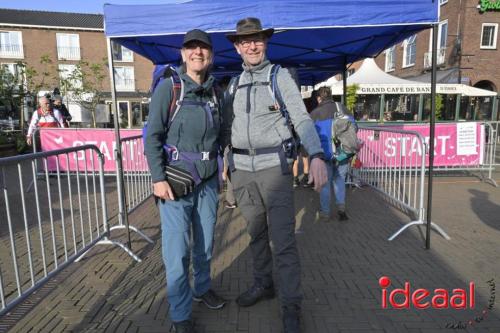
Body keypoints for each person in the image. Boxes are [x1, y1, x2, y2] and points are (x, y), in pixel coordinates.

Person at [221, 17, 327, 333]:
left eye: (257, 39)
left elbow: (301, 119)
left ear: (265, 43)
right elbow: (228, 128)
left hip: (274, 172)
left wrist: (317, 155)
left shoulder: (279, 77)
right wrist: (227, 167)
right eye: (246, 41)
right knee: (256, 235)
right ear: (238, 47)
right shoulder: (233, 84)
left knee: (282, 241)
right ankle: (263, 284)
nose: (252, 45)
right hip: (242, 173)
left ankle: (291, 304)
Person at [144, 29, 226, 333]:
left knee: (205, 244)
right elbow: (152, 137)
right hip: (175, 182)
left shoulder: (217, 92)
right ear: (183, 54)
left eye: (203, 48)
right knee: (177, 250)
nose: (197, 52)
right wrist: (157, 178)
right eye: (191, 48)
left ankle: (202, 289)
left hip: (207, 182)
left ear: (211, 55)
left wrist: (225, 163)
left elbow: (224, 133)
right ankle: (180, 316)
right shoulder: (170, 88)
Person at [310, 87, 355, 222]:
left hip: (324, 155)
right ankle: (341, 209)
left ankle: (325, 213)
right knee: (339, 180)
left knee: (325, 184)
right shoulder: (343, 108)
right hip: (343, 153)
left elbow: (309, 136)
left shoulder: (315, 113)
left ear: (319, 98)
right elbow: (355, 128)